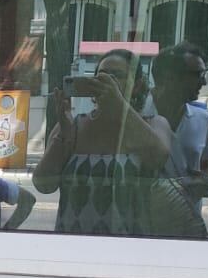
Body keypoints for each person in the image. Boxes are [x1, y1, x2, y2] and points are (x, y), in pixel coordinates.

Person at [32, 48, 175, 235]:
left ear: (138, 85)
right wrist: (64, 136)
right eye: (102, 75)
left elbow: (159, 157)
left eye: (117, 76)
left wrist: (118, 105)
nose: (107, 81)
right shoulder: (72, 126)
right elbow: (43, 185)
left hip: (129, 247)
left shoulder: (155, 124)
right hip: (74, 246)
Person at [153, 44, 208, 200]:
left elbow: (207, 165)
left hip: (187, 218)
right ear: (169, 76)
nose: (203, 82)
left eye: (204, 74)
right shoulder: (135, 114)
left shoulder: (203, 120)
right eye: (197, 75)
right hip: (140, 219)